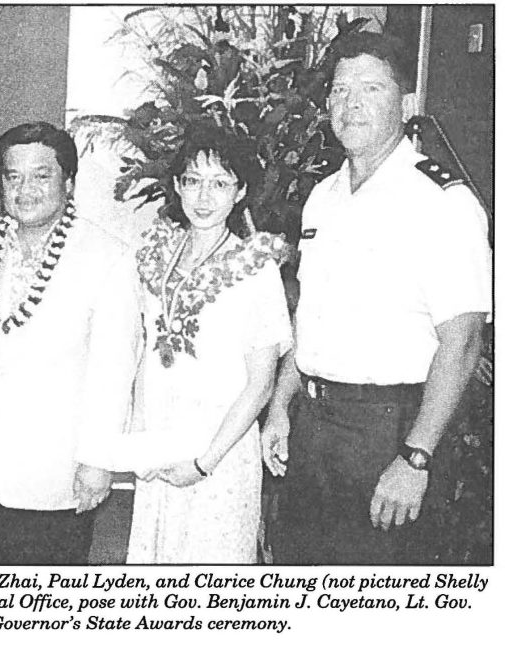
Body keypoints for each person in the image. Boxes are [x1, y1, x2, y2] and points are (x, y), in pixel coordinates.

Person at [263, 33, 491, 564]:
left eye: (371, 87)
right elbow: (310, 319)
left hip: (390, 429)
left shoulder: (442, 203)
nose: (352, 103)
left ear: (407, 105)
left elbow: (462, 344)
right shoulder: (323, 197)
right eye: (340, 91)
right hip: (314, 425)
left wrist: (416, 458)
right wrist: (280, 407)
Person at [106, 122, 292, 563]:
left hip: (219, 456)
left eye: (220, 184)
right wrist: (138, 439)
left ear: (240, 191)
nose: (205, 198)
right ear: (177, 185)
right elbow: (143, 354)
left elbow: (261, 384)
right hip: (161, 446)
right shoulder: (154, 255)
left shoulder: (256, 267)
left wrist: (205, 462)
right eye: (193, 181)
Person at [0, 122, 141, 564]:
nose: (25, 189)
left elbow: (114, 373)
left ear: (69, 183)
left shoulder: (106, 255)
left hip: (55, 474)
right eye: (13, 176)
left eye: (42, 175)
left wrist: (98, 462)